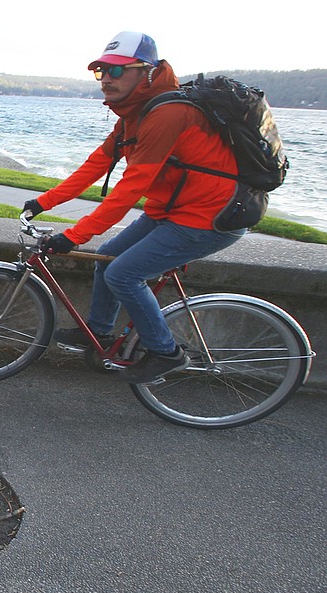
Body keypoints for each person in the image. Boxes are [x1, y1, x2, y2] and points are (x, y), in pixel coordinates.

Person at [22, 31, 247, 384]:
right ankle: (99, 333)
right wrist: (44, 202)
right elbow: (96, 164)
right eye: (101, 71)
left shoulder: (168, 114)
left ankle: (166, 352)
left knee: (122, 273)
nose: (106, 80)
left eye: (116, 71)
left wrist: (75, 236)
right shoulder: (135, 113)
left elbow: (131, 189)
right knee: (109, 257)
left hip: (209, 217)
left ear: (146, 71)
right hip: (172, 210)